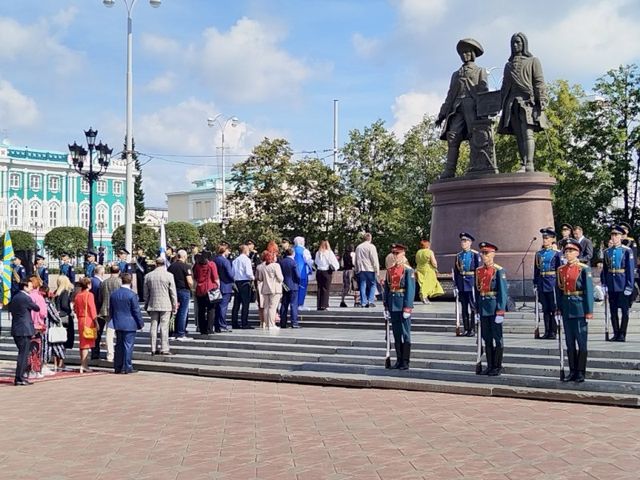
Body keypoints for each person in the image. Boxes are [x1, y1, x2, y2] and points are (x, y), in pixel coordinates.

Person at [436, 38, 489, 178]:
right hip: (457, 108)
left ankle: (477, 166)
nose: (464, 55)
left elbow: (484, 92)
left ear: (473, 54)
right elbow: (450, 95)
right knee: (453, 137)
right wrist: (442, 114)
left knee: (475, 136)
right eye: (462, 53)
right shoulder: (456, 74)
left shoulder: (480, 71)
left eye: (467, 52)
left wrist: (484, 111)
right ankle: (449, 170)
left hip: (473, 108)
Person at [498, 32, 549, 172]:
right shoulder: (508, 66)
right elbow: (504, 88)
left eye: (518, 42)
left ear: (524, 44)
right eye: (513, 43)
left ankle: (530, 163)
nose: (515, 45)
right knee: (519, 135)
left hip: (528, 102)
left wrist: (542, 99)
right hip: (512, 104)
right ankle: (523, 162)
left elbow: (539, 82)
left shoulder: (533, 61)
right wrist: (497, 104)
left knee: (528, 133)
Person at [557, 238, 594, 383]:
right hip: (566, 308)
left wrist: (589, 311)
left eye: (571, 251)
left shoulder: (583, 269)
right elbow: (559, 291)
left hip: (579, 308)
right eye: (566, 251)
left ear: (577, 253)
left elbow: (588, 291)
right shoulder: (561, 269)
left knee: (581, 342)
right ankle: (572, 371)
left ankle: (580, 372)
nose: (568, 253)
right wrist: (558, 308)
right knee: (569, 342)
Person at [475, 242, 508, 376]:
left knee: (497, 338)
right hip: (483, 307)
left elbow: (503, 292)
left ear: (493, 254)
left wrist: (500, 310)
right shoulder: (479, 271)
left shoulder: (498, 270)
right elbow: (477, 292)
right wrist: (477, 309)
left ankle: (497, 366)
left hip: (494, 308)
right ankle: (489, 365)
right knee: (487, 338)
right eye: (483, 253)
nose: (484, 256)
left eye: (487, 253)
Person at [383, 244, 415, 370]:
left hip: (402, 304)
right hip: (393, 304)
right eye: (394, 253)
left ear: (403, 254)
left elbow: (410, 290)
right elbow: (387, 289)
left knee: (405, 333)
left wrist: (408, 307)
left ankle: (405, 361)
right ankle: (399, 360)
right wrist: (386, 306)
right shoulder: (390, 270)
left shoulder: (408, 270)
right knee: (396, 334)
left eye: (397, 253)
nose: (395, 256)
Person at [601, 225, 635, 342]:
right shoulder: (607, 252)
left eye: (616, 235)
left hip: (622, 284)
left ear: (621, 236)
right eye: (612, 235)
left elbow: (630, 269)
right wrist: (604, 283)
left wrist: (629, 286)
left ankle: (622, 334)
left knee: (624, 312)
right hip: (611, 285)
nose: (614, 237)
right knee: (613, 311)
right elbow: (605, 270)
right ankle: (615, 333)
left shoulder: (627, 251)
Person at [110, 273, 144, 374]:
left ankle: (118, 367)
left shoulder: (114, 294)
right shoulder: (132, 295)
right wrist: (140, 323)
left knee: (119, 346)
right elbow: (136, 311)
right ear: (131, 281)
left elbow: (111, 310)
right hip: (130, 323)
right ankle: (127, 367)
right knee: (128, 346)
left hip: (118, 322)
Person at [9, 280, 40, 385]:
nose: (31, 288)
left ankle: (19, 377)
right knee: (23, 355)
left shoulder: (15, 297)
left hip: (17, 329)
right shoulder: (25, 298)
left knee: (22, 353)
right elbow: (36, 308)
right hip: (24, 330)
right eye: (30, 286)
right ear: (25, 287)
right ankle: (19, 378)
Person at [144, 257, 177, 355]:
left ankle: (153, 348)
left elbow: (146, 293)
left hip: (153, 304)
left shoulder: (148, 276)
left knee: (153, 326)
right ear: (164, 264)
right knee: (164, 327)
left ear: (156, 264)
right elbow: (173, 292)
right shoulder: (169, 275)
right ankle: (164, 348)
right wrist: (174, 305)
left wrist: (146, 303)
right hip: (166, 304)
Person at [533, 228, 562, 339]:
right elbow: (536, 270)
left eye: (547, 238)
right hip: (542, 283)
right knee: (545, 309)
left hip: (552, 283)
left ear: (552, 239)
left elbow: (559, 269)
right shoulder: (539, 254)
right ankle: (547, 331)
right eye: (544, 238)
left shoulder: (556, 254)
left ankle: (553, 331)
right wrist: (535, 283)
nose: (545, 240)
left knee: (553, 308)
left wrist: (559, 285)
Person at [454, 233, 482, 336]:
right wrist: (456, 285)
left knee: (473, 307)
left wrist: (478, 285)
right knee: (464, 307)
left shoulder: (475, 254)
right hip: (462, 284)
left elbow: (478, 271)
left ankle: (473, 328)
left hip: (471, 283)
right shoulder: (458, 255)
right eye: (462, 241)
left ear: (470, 243)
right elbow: (456, 272)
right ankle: (466, 329)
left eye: (465, 241)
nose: (463, 243)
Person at [73, 277, 98, 373]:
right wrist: (96, 321)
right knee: (86, 343)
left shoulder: (78, 295)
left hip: (80, 319)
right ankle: (84, 365)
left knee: (82, 342)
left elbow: (75, 308)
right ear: (88, 285)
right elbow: (92, 308)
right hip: (88, 319)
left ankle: (83, 363)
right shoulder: (89, 295)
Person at [168, 249, 194, 340]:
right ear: (184, 257)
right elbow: (189, 281)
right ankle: (180, 333)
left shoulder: (171, 267)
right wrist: (192, 288)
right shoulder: (186, 266)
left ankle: (172, 332)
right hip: (183, 291)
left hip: (173, 291)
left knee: (173, 312)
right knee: (183, 312)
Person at [193, 252, 219, 335]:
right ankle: (209, 328)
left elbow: (195, 277)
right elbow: (215, 277)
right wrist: (218, 286)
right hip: (210, 289)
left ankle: (202, 329)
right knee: (211, 309)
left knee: (201, 310)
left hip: (200, 289)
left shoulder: (197, 266)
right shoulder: (212, 264)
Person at [99, 265, 121, 362]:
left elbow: (100, 297)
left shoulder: (104, 282)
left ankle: (110, 354)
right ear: (119, 272)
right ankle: (118, 353)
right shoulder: (120, 282)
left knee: (109, 333)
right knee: (119, 332)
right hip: (118, 310)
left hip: (106, 309)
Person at [256, 251, 283, 329]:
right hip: (275, 289)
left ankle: (267, 323)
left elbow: (260, 278)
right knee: (273, 307)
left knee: (266, 307)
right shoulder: (276, 265)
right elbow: (280, 278)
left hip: (265, 288)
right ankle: (271, 324)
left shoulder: (263, 267)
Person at [27, 276, 47, 379]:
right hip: (37, 325)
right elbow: (43, 313)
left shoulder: (27, 296)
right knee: (36, 349)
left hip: (28, 324)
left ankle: (28, 370)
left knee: (28, 349)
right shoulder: (39, 297)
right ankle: (35, 370)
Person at [231, 244, 255, 329]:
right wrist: (253, 278)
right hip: (245, 282)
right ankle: (244, 323)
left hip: (237, 282)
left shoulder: (235, 260)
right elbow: (248, 273)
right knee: (245, 304)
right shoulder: (246, 260)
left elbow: (232, 273)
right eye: (248, 250)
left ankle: (234, 323)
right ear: (245, 251)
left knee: (236, 304)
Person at [54, 275, 74, 370]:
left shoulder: (56, 292)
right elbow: (65, 305)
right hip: (65, 318)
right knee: (64, 340)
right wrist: (71, 310)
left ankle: (57, 362)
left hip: (57, 318)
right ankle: (61, 363)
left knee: (58, 341)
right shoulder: (65, 292)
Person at [355, 233, 380, 308]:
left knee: (362, 285)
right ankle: (370, 301)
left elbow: (356, 259)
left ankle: (363, 302)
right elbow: (374, 259)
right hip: (370, 268)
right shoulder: (371, 247)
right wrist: (377, 269)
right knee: (372, 285)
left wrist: (356, 269)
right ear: (370, 238)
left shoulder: (358, 247)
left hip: (361, 268)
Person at [415, 239, 444, 304]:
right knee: (429, 282)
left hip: (419, 269)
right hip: (428, 269)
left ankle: (425, 297)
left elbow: (416, 261)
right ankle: (423, 294)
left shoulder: (418, 252)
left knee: (423, 283)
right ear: (428, 245)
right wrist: (435, 267)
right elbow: (434, 262)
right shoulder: (429, 252)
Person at [213, 244, 234, 332]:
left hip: (216, 286)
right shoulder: (225, 261)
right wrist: (234, 279)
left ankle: (217, 325)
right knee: (223, 307)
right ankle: (222, 325)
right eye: (228, 250)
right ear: (224, 251)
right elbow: (230, 274)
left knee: (217, 307)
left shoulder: (214, 260)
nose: (229, 252)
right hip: (225, 286)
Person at [314, 240, 340, 311]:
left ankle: (319, 305)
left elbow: (316, 262)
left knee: (319, 288)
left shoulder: (318, 253)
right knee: (326, 289)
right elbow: (334, 262)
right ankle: (324, 305)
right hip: (326, 272)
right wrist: (336, 268)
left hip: (319, 271)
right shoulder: (329, 253)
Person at [279, 247, 301, 328]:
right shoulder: (293, 262)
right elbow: (298, 275)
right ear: (293, 253)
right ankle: (294, 322)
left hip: (284, 285)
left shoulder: (281, 262)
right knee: (293, 304)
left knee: (284, 304)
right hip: (293, 285)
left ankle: (283, 322)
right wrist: (298, 282)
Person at [293, 237, 314, 311]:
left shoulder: (292, 250)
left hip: (293, 272)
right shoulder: (304, 250)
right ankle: (300, 304)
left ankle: (294, 304)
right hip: (302, 272)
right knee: (302, 288)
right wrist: (311, 268)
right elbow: (308, 261)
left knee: (295, 289)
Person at [89, 265, 105, 360]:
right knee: (97, 333)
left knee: (94, 333)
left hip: (91, 311)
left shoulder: (91, 281)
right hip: (98, 311)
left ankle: (94, 352)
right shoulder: (99, 283)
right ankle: (95, 353)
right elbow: (99, 299)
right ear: (102, 273)